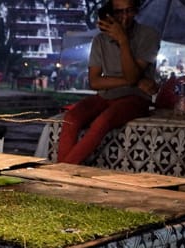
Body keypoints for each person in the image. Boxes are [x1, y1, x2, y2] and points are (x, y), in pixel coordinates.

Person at [56, 0, 160, 165]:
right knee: (71, 117)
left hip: (134, 97)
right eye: (119, 12)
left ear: (136, 11)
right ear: (111, 14)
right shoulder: (100, 40)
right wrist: (132, 81)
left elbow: (132, 75)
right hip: (106, 95)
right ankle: (62, 168)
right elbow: (95, 82)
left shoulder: (149, 36)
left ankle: (61, 170)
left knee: (103, 121)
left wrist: (123, 41)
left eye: (129, 11)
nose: (125, 17)